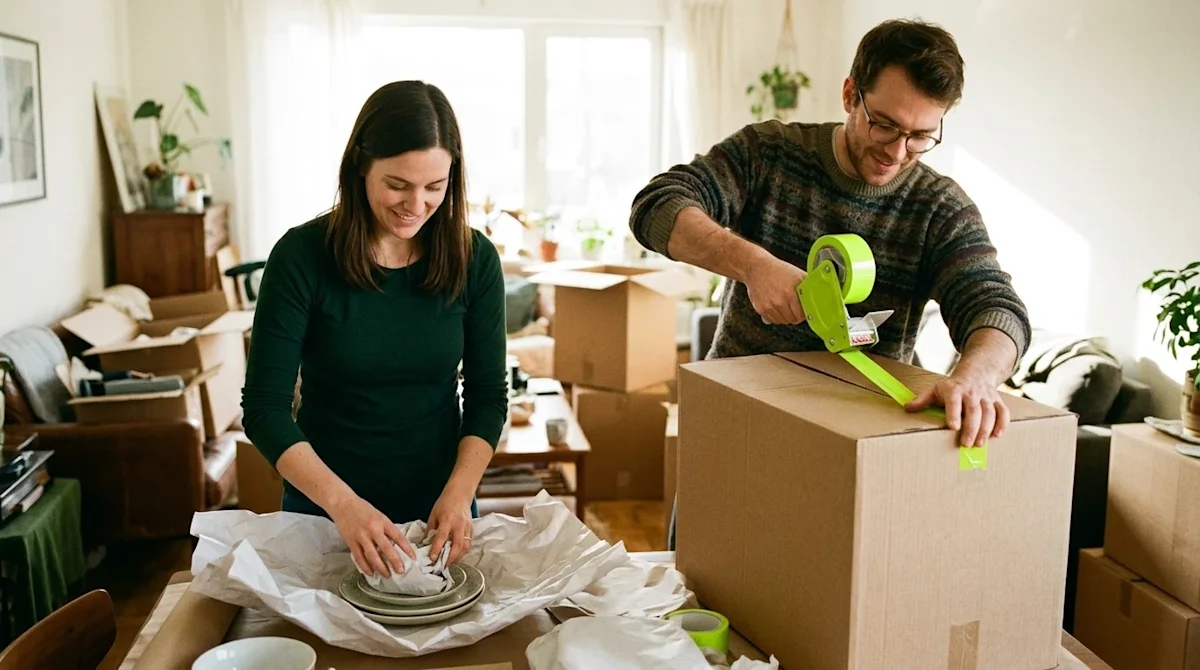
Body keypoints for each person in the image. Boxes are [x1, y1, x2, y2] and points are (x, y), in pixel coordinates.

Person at [629, 20, 1032, 547]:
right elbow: (656, 206)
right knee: (698, 594)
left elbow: (996, 306)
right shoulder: (769, 153)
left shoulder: (940, 209)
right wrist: (753, 264)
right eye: (883, 125)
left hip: (857, 454)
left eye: (920, 137)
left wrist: (975, 378)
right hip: (736, 433)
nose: (896, 152)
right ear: (850, 94)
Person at [241, 81, 509, 581]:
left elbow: (489, 395)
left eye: (435, 187)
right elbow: (263, 409)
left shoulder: (476, 260)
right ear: (360, 165)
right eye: (398, 184)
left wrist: (459, 494)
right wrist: (344, 507)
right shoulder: (301, 257)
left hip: (439, 511)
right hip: (325, 509)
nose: (417, 205)